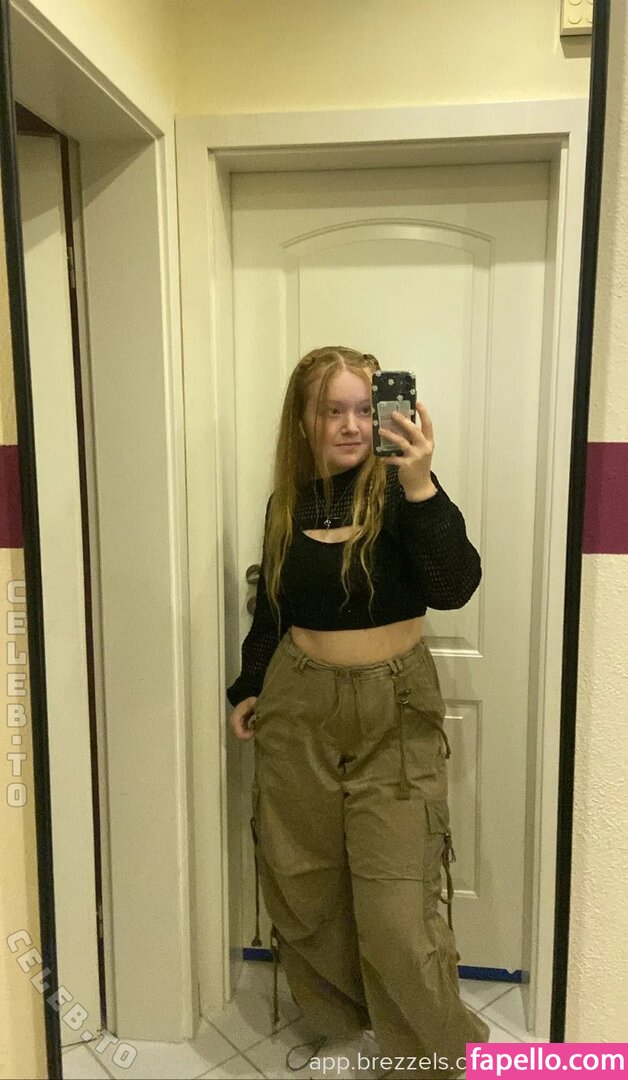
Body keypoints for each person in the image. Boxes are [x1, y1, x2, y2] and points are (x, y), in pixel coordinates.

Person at [227, 346, 490, 1079]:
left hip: (394, 711)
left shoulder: (404, 493)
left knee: (399, 909)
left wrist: (421, 482)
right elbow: (273, 610)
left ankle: (431, 1056)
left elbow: (454, 587)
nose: (349, 425)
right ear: (304, 422)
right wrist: (250, 685)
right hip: (297, 706)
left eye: (363, 409)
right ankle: (341, 1028)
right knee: (305, 883)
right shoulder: (287, 505)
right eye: (331, 410)